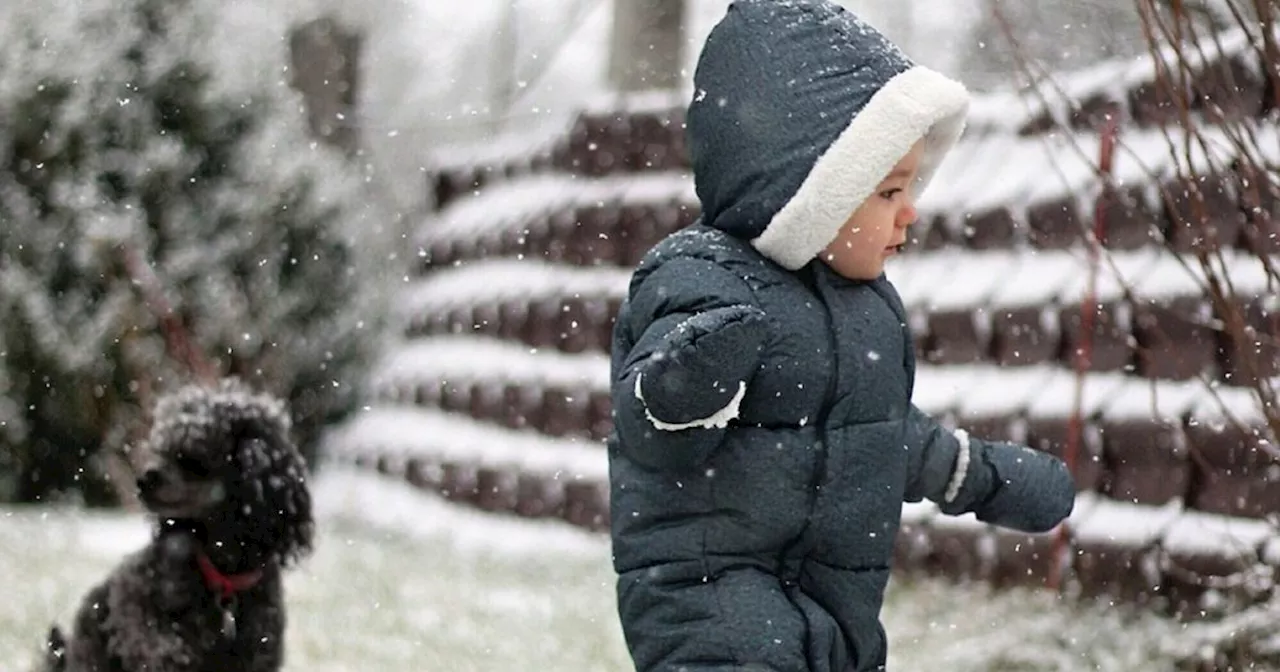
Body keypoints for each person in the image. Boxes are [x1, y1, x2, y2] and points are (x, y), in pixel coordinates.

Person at [605, 1, 1077, 670]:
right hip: (709, 607)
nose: (911, 209)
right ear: (810, 191)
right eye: (888, 192)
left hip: (837, 616)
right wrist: (690, 382)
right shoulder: (699, 278)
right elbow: (649, 425)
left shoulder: (866, 310)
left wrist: (981, 475)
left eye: (912, 186)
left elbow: (879, 437)